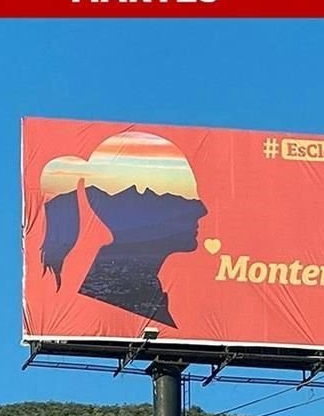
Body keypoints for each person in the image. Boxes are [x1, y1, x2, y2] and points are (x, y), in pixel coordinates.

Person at [40, 131, 207, 327]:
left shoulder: (137, 289)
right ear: (138, 204)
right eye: (181, 197)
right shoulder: (122, 293)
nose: (201, 210)